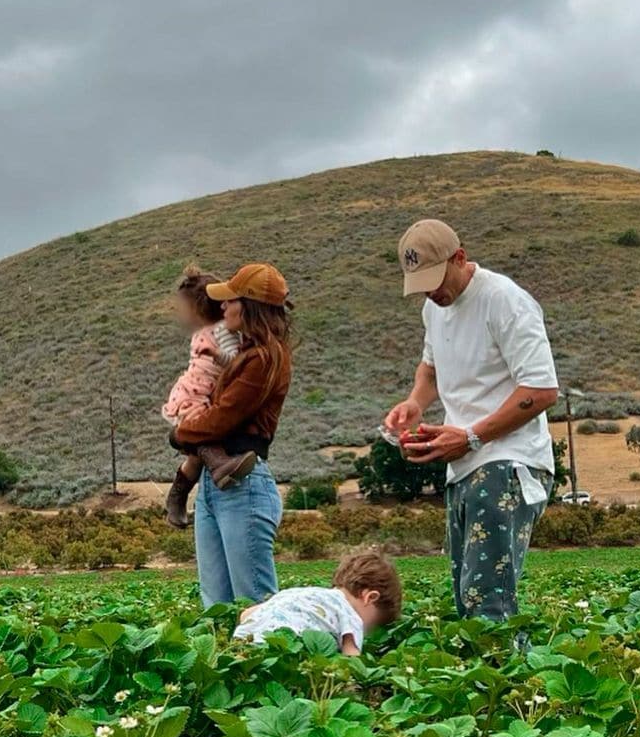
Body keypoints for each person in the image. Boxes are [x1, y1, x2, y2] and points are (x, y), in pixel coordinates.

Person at [385, 219, 559, 623]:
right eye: (421, 284)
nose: (431, 292)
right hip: (463, 464)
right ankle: (492, 679)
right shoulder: (435, 307)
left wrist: (472, 437)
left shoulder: (504, 300)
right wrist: (414, 403)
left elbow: (542, 389)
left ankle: (502, 682)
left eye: (435, 279)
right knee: (467, 597)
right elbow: (429, 368)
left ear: (459, 258)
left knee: (487, 600)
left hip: (508, 463)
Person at [171, 263, 293, 607]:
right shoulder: (246, 354)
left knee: (254, 605)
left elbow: (221, 420)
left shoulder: (265, 359)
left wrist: (181, 434)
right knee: (217, 607)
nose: (222, 308)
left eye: (230, 301)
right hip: (217, 483)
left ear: (251, 305)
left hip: (244, 484)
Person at [163, 267, 258, 528]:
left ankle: (177, 498)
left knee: (195, 455)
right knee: (201, 441)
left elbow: (232, 362)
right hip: (196, 394)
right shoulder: (211, 332)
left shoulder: (222, 332)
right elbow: (232, 364)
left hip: (199, 393)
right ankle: (220, 467)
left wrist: (216, 356)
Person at [233, 550, 402, 654]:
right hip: (284, 649)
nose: (365, 632)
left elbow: (246, 614)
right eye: (371, 624)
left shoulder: (303, 593)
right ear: (370, 598)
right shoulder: (350, 614)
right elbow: (351, 658)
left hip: (244, 641)